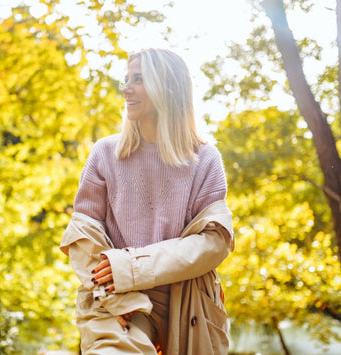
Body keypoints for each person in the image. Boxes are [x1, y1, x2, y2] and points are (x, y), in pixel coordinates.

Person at [60, 48, 234, 355]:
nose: (125, 88)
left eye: (137, 79)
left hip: (189, 301)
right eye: (126, 79)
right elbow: (83, 238)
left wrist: (131, 266)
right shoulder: (105, 153)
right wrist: (118, 295)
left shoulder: (205, 159)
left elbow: (213, 243)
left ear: (167, 87)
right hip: (117, 298)